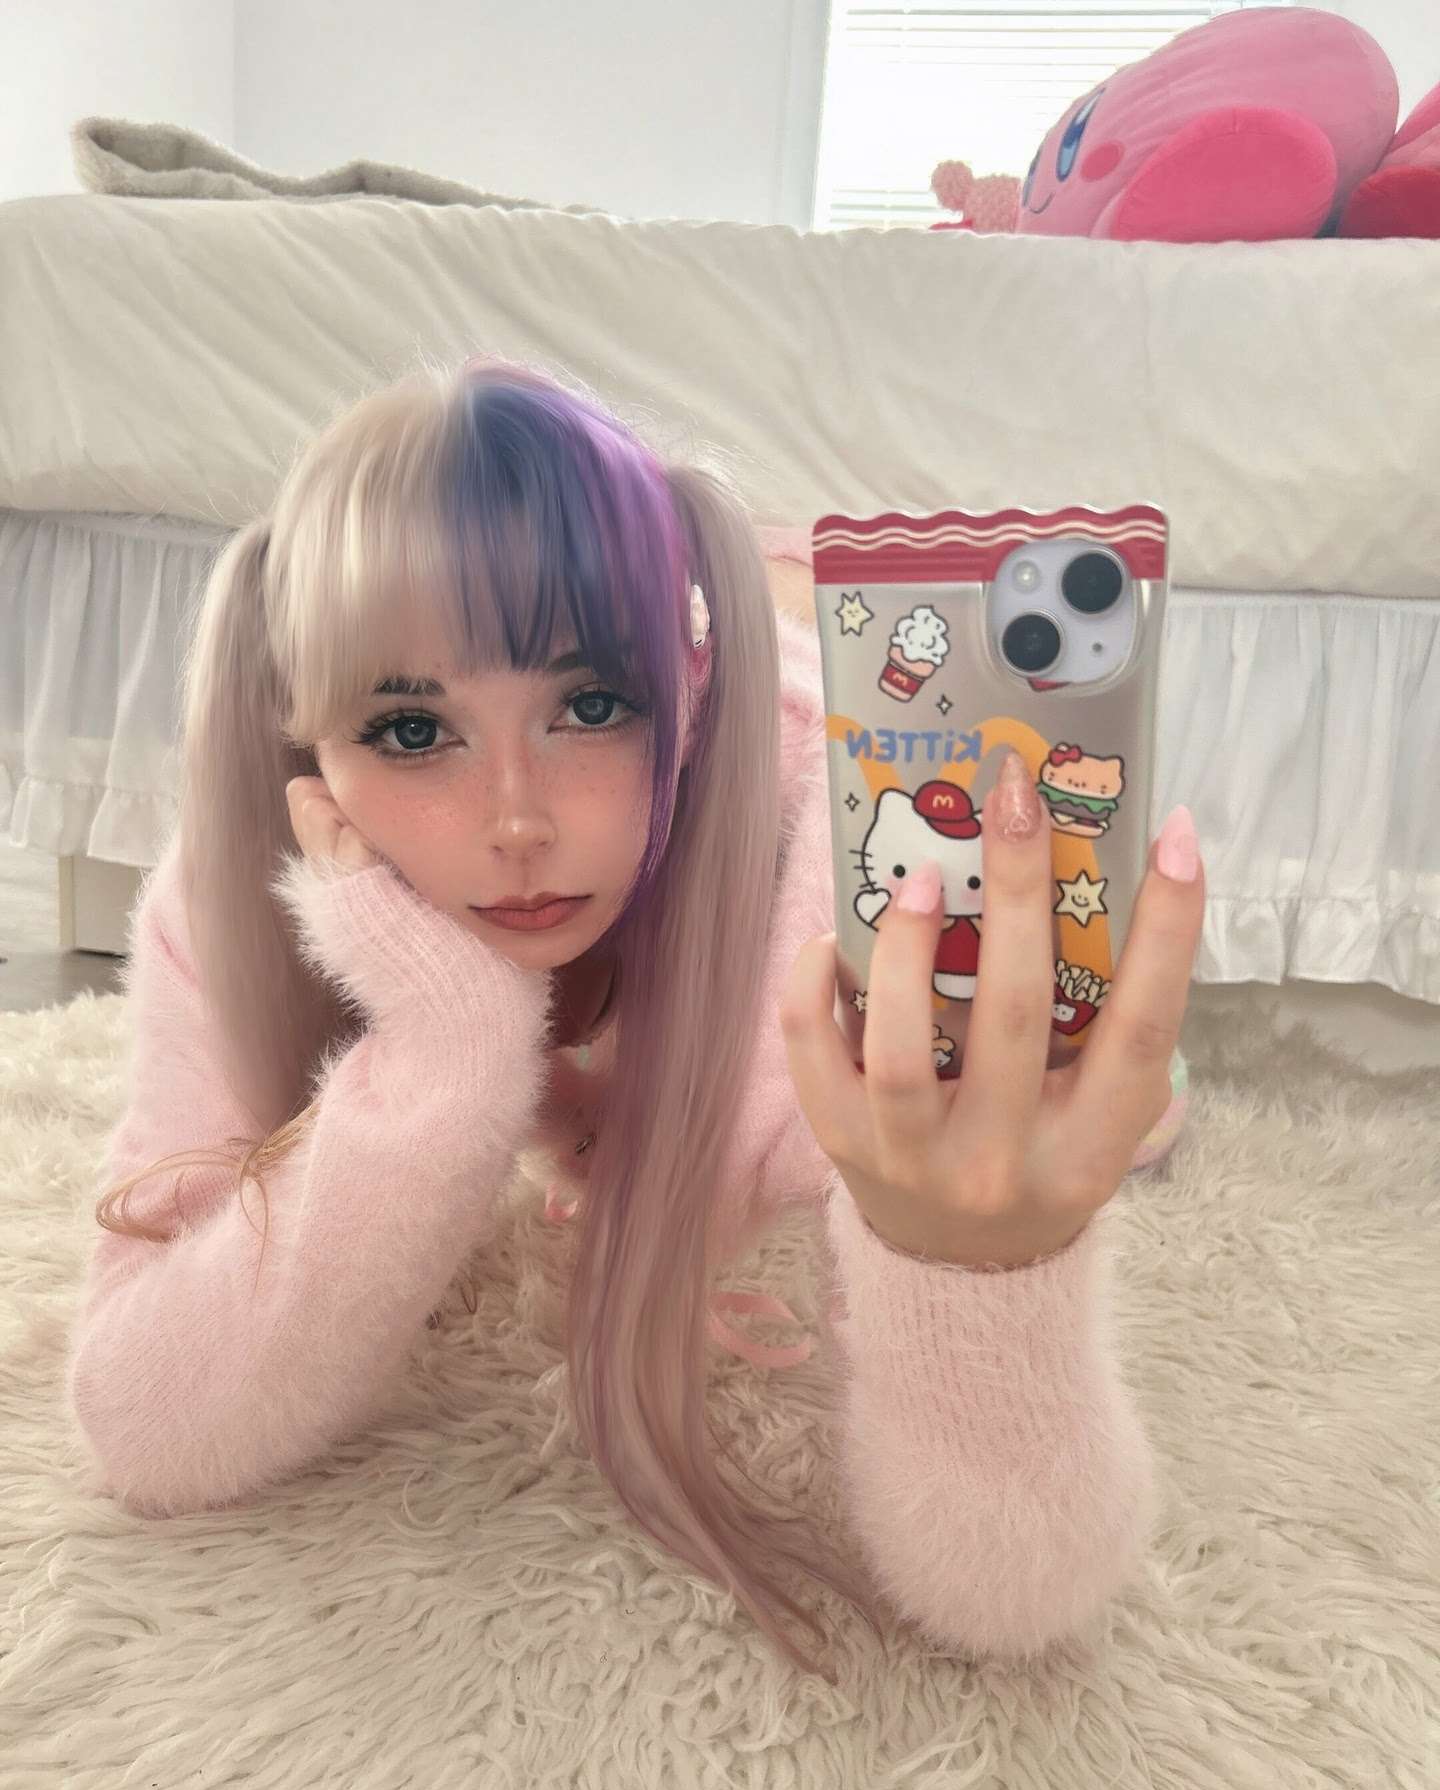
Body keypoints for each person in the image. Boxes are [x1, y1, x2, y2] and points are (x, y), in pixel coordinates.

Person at [65, 354, 1205, 1684]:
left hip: (810, 775)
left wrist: (978, 1271)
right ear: (304, 742)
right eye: (412, 730)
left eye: (591, 705)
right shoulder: (249, 893)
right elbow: (142, 1425)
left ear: (688, 695)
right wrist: (443, 1061)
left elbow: (1015, 1595)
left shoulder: (831, 899)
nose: (517, 820)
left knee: (1108, 1098)